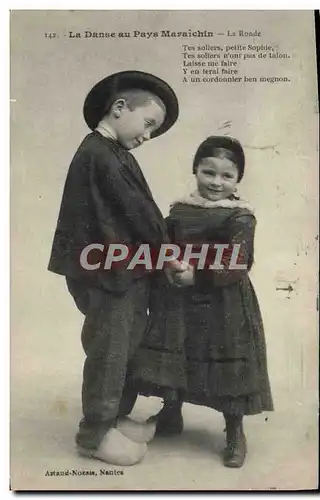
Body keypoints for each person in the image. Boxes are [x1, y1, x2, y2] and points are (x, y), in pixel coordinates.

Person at [48, 70, 180, 465]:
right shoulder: (98, 154)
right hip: (107, 274)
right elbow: (139, 212)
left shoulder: (113, 153)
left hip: (122, 269)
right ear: (120, 108)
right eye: (149, 124)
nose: (148, 136)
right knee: (110, 349)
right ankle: (94, 434)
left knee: (124, 345)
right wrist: (168, 253)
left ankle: (116, 417)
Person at [134, 135, 274, 468]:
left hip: (223, 300)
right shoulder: (180, 210)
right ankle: (171, 413)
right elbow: (165, 244)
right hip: (180, 298)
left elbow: (238, 260)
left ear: (238, 178)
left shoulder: (240, 217)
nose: (216, 182)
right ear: (195, 169)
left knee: (226, 358)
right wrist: (169, 265)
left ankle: (234, 431)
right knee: (179, 348)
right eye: (208, 172)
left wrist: (199, 275)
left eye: (227, 176)